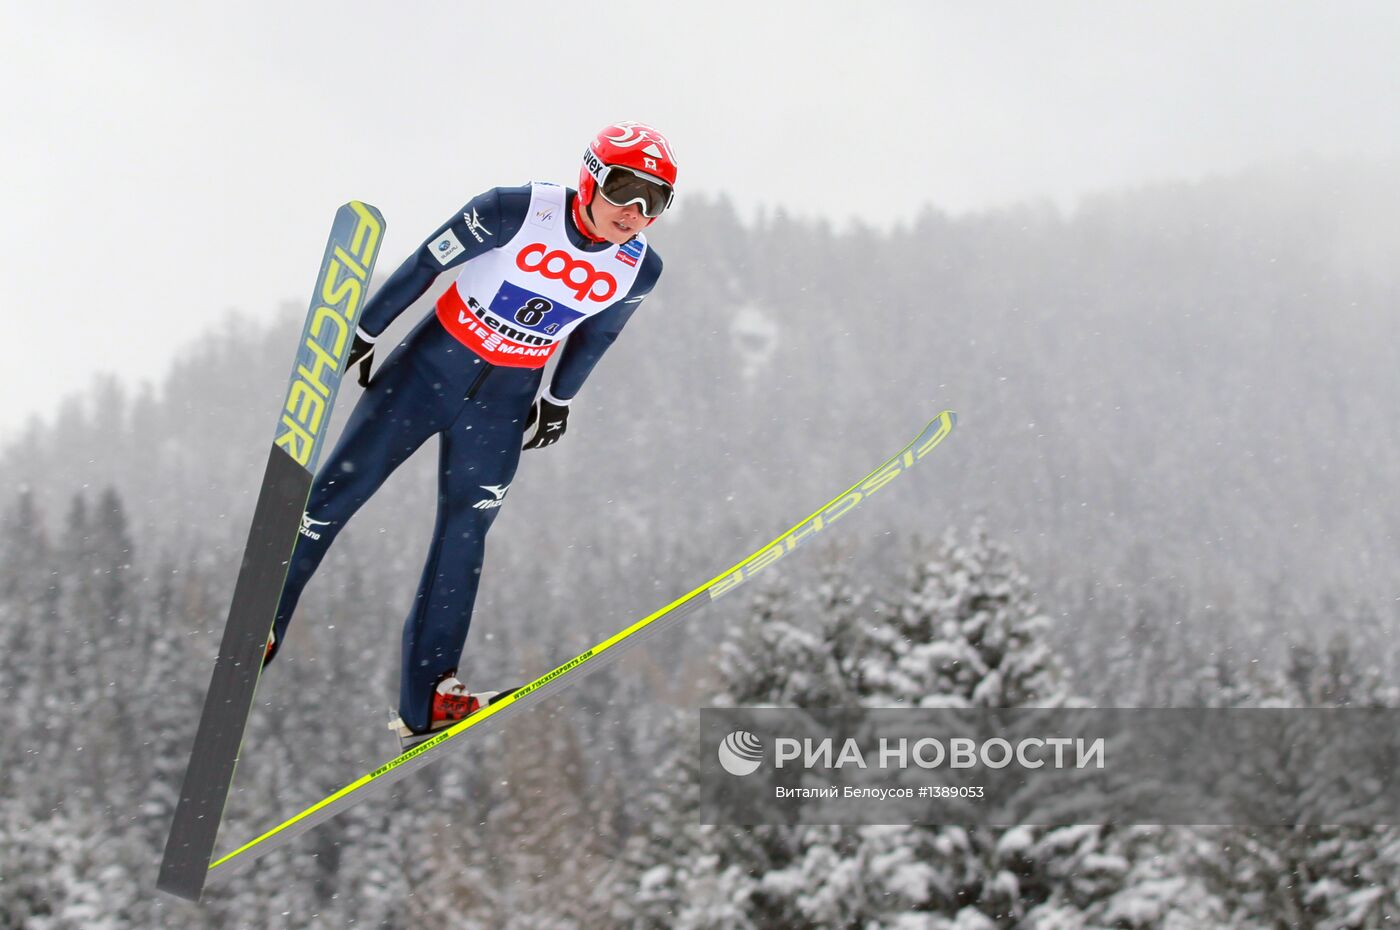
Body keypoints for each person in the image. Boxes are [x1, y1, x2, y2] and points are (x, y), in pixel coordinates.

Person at [262, 122, 676, 742]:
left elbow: (598, 336)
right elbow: (428, 262)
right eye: (623, 189)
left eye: (656, 200)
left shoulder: (639, 269)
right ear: (591, 174)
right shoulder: (514, 209)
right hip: (429, 370)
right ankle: (264, 619)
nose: (634, 212)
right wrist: (369, 327)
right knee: (337, 494)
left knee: (465, 535)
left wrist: (559, 399)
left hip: (505, 402)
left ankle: (429, 695)